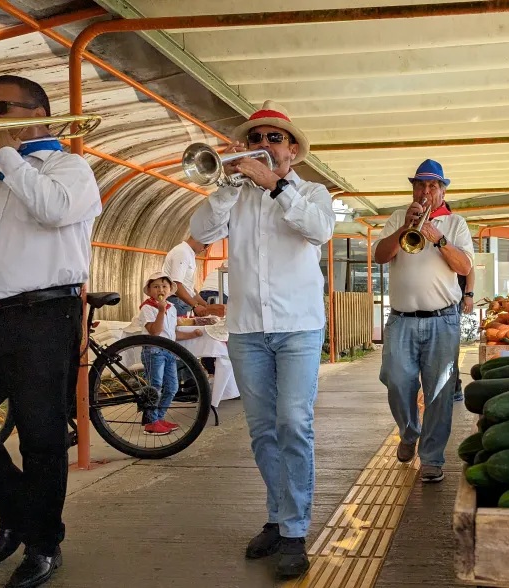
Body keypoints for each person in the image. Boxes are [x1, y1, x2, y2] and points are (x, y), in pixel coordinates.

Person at [0, 75, 102, 588]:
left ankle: (42, 545)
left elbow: (53, 210)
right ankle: (20, 513)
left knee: (41, 437)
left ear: (40, 114)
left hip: (43, 317)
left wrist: (9, 158)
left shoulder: (70, 168)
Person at [190, 100, 335, 580]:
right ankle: (277, 517)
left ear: (293, 150)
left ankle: (295, 530)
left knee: (294, 423)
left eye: (274, 139)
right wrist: (227, 185)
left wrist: (276, 186)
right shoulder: (236, 194)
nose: (263, 146)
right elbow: (199, 233)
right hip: (247, 328)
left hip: (298, 326)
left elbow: (319, 232)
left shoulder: (311, 191)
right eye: (255, 139)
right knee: (262, 432)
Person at [373, 159, 474, 483]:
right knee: (396, 380)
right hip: (401, 320)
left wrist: (439, 239)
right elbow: (380, 255)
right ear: (413, 188)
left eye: (432, 186)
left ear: (443, 190)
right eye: (420, 185)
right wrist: (406, 227)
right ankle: (409, 431)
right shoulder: (397, 219)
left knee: (440, 393)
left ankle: (431, 458)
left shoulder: (456, 223)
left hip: (442, 321)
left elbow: (464, 266)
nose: (425, 191)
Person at [135, 272, 204, 435]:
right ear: (150, 290)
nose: (161, 289)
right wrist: (160, 311)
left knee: (172, 387)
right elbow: (155, 332)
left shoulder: (171, 308)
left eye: (164, 286)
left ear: (169, 290)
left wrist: (192, 335)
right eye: (156, 286)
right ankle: (151, 423)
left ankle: (159, 417)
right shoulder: (147, 308)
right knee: (155, 386)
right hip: (154, 352)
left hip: (169, 352)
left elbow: (172, 333)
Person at [162, 237, 209, 316]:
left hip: (183, 302)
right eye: (206, 245)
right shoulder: (182, 253)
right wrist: (196, 305)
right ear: (198, 239)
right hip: (177, 302)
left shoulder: (188, 253)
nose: (205, 249)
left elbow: (189, 288)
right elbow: (176, 284)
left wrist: (205, 306)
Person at [452, 267, 475, 402]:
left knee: (451, 346)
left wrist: (469, 294)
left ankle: (455, 387)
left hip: (453, 302)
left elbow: (469, 267)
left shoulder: (454, 245)